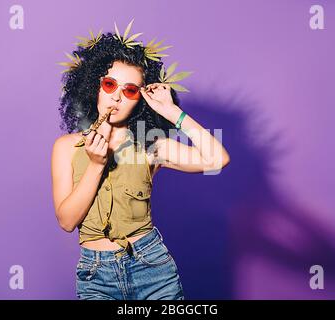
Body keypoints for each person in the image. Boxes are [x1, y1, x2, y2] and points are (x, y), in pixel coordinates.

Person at [51, 21, 230, 300]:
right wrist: (97, 165)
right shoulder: (66, 147)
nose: (117, 97)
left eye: (130, 90)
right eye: (110, 84)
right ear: (94, 86)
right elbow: (67, 221)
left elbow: (217, 159)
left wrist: (172, 113)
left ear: (140, 98)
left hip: (153, 269)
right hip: (96, 275)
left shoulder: (151, 143)